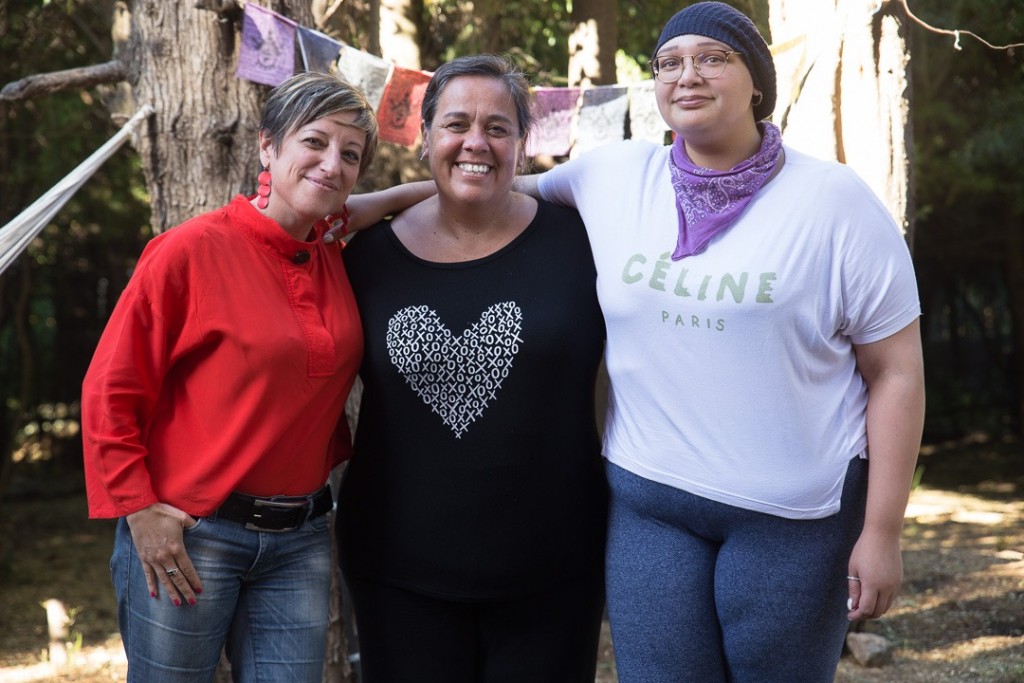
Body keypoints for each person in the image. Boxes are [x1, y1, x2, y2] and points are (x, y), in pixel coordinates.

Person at [332, 4, 926, 681]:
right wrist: (374, 203)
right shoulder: (614, 177)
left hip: (790, 512)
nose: (688, 75)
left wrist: (883, 530)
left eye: (712, 58)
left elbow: (896, 372)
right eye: (670, 63)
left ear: (758, 81)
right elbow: (485, 183)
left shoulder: (833, 200)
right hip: (650, 505)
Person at [81, 72, 378, 683]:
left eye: (351, 155)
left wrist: (468, 186)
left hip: (300, 539)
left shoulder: (332, 254)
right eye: (315, 142)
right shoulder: (189, 251)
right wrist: (139, 510)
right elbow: (111, 388)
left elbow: (412, 201)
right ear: (268, 146)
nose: (332, 164)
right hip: (191, 533)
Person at [335, 54, 608, 683]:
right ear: (426, 135)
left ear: (523, 143)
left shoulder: (583, 244)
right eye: (456, 124)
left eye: (498, 127)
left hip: (556, 572)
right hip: (397, 573)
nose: (475, 142)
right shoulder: (366, 258)